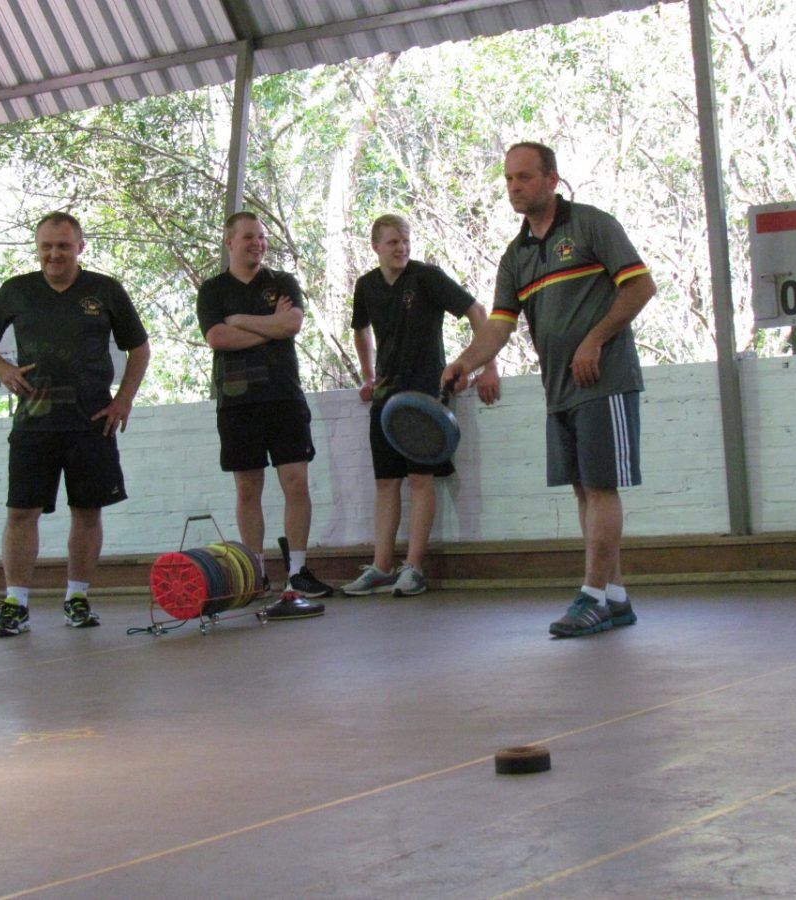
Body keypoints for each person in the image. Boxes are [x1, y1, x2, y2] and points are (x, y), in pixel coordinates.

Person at [443, 142, 657, 637]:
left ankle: (593, 595)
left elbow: (641, 286)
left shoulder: (590, 225)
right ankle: (616, 597)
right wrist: (463, 362)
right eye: (508, 180)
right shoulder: (516, 256)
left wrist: (595, 340)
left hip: (604, 381)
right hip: (558, 389)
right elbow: (498, 327)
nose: (514, 188)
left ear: (551, 180)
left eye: (524, 177)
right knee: (584, 491)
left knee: (601, 488)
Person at [0, 212, 151, 638]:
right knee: (21, 512)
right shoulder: (17, 290)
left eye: (63, 246)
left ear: (80, 248)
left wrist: (123, 400)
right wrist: (2, 369)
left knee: (87, 511)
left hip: (92, 419)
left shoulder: (105, 291)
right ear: (38, 249)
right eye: (47, 247)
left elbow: (139, 348)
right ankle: (15, 603)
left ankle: (77, 598)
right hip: (35, 420)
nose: (54, 254)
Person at [343, 214, 500, 597]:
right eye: (393, 242)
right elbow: (360, 328)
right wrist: (368, 375)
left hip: (427, 393)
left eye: (405, 241)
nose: (401, 248)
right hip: (386, 396)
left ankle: (412, 567)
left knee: (420, 479)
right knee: (385, 482)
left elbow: (477, 312)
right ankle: (382, 567)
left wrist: (487, 364)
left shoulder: (426, 277)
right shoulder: (366, 286)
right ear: (375, 247)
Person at [196, 211, 333, 619]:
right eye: (249, 237)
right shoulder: (213, 290)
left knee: (296, 482)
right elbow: (216, 337)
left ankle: (296, 572)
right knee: (247, 489)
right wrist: (267, 326)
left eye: (261, 237)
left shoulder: (282, 283)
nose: (257, 243)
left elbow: (291, 325)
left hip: (284, 398)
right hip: (238, 404)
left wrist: (244, 322)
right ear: (230, 243)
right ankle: (255, 571)